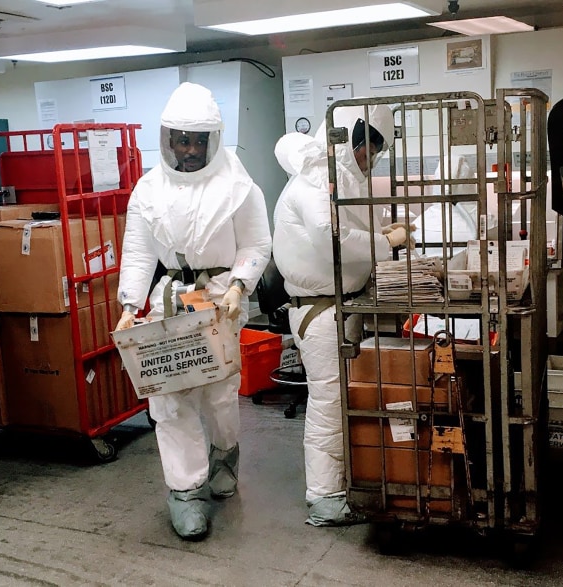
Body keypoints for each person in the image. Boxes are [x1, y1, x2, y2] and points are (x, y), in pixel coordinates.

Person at [115, 82, 272, 540]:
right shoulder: (147, 191)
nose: (188, 150)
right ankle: (186, 491)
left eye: (198, 141)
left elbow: (258, 243)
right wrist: (130, 303)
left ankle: (225, 456)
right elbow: (139, 253)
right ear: (166, 140)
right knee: (170, 397)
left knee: (220, 395)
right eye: (181, 140)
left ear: (212, 141)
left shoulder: (239, 187)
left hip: (220, 297)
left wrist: (240, 285)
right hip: (169, 299)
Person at [272, 103, 409, 526]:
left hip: (340, 310)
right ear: (350, 140)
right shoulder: (313, 183)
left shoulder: (339, 182)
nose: (370, 159)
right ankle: (325, 498)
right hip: (320, 315)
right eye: (368, 149)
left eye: (376, 151)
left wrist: (382, 237)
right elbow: (334, 240)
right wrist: (386, 243)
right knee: (329, 405)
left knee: (340, 403)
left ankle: (343, 484)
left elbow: (351, 235)